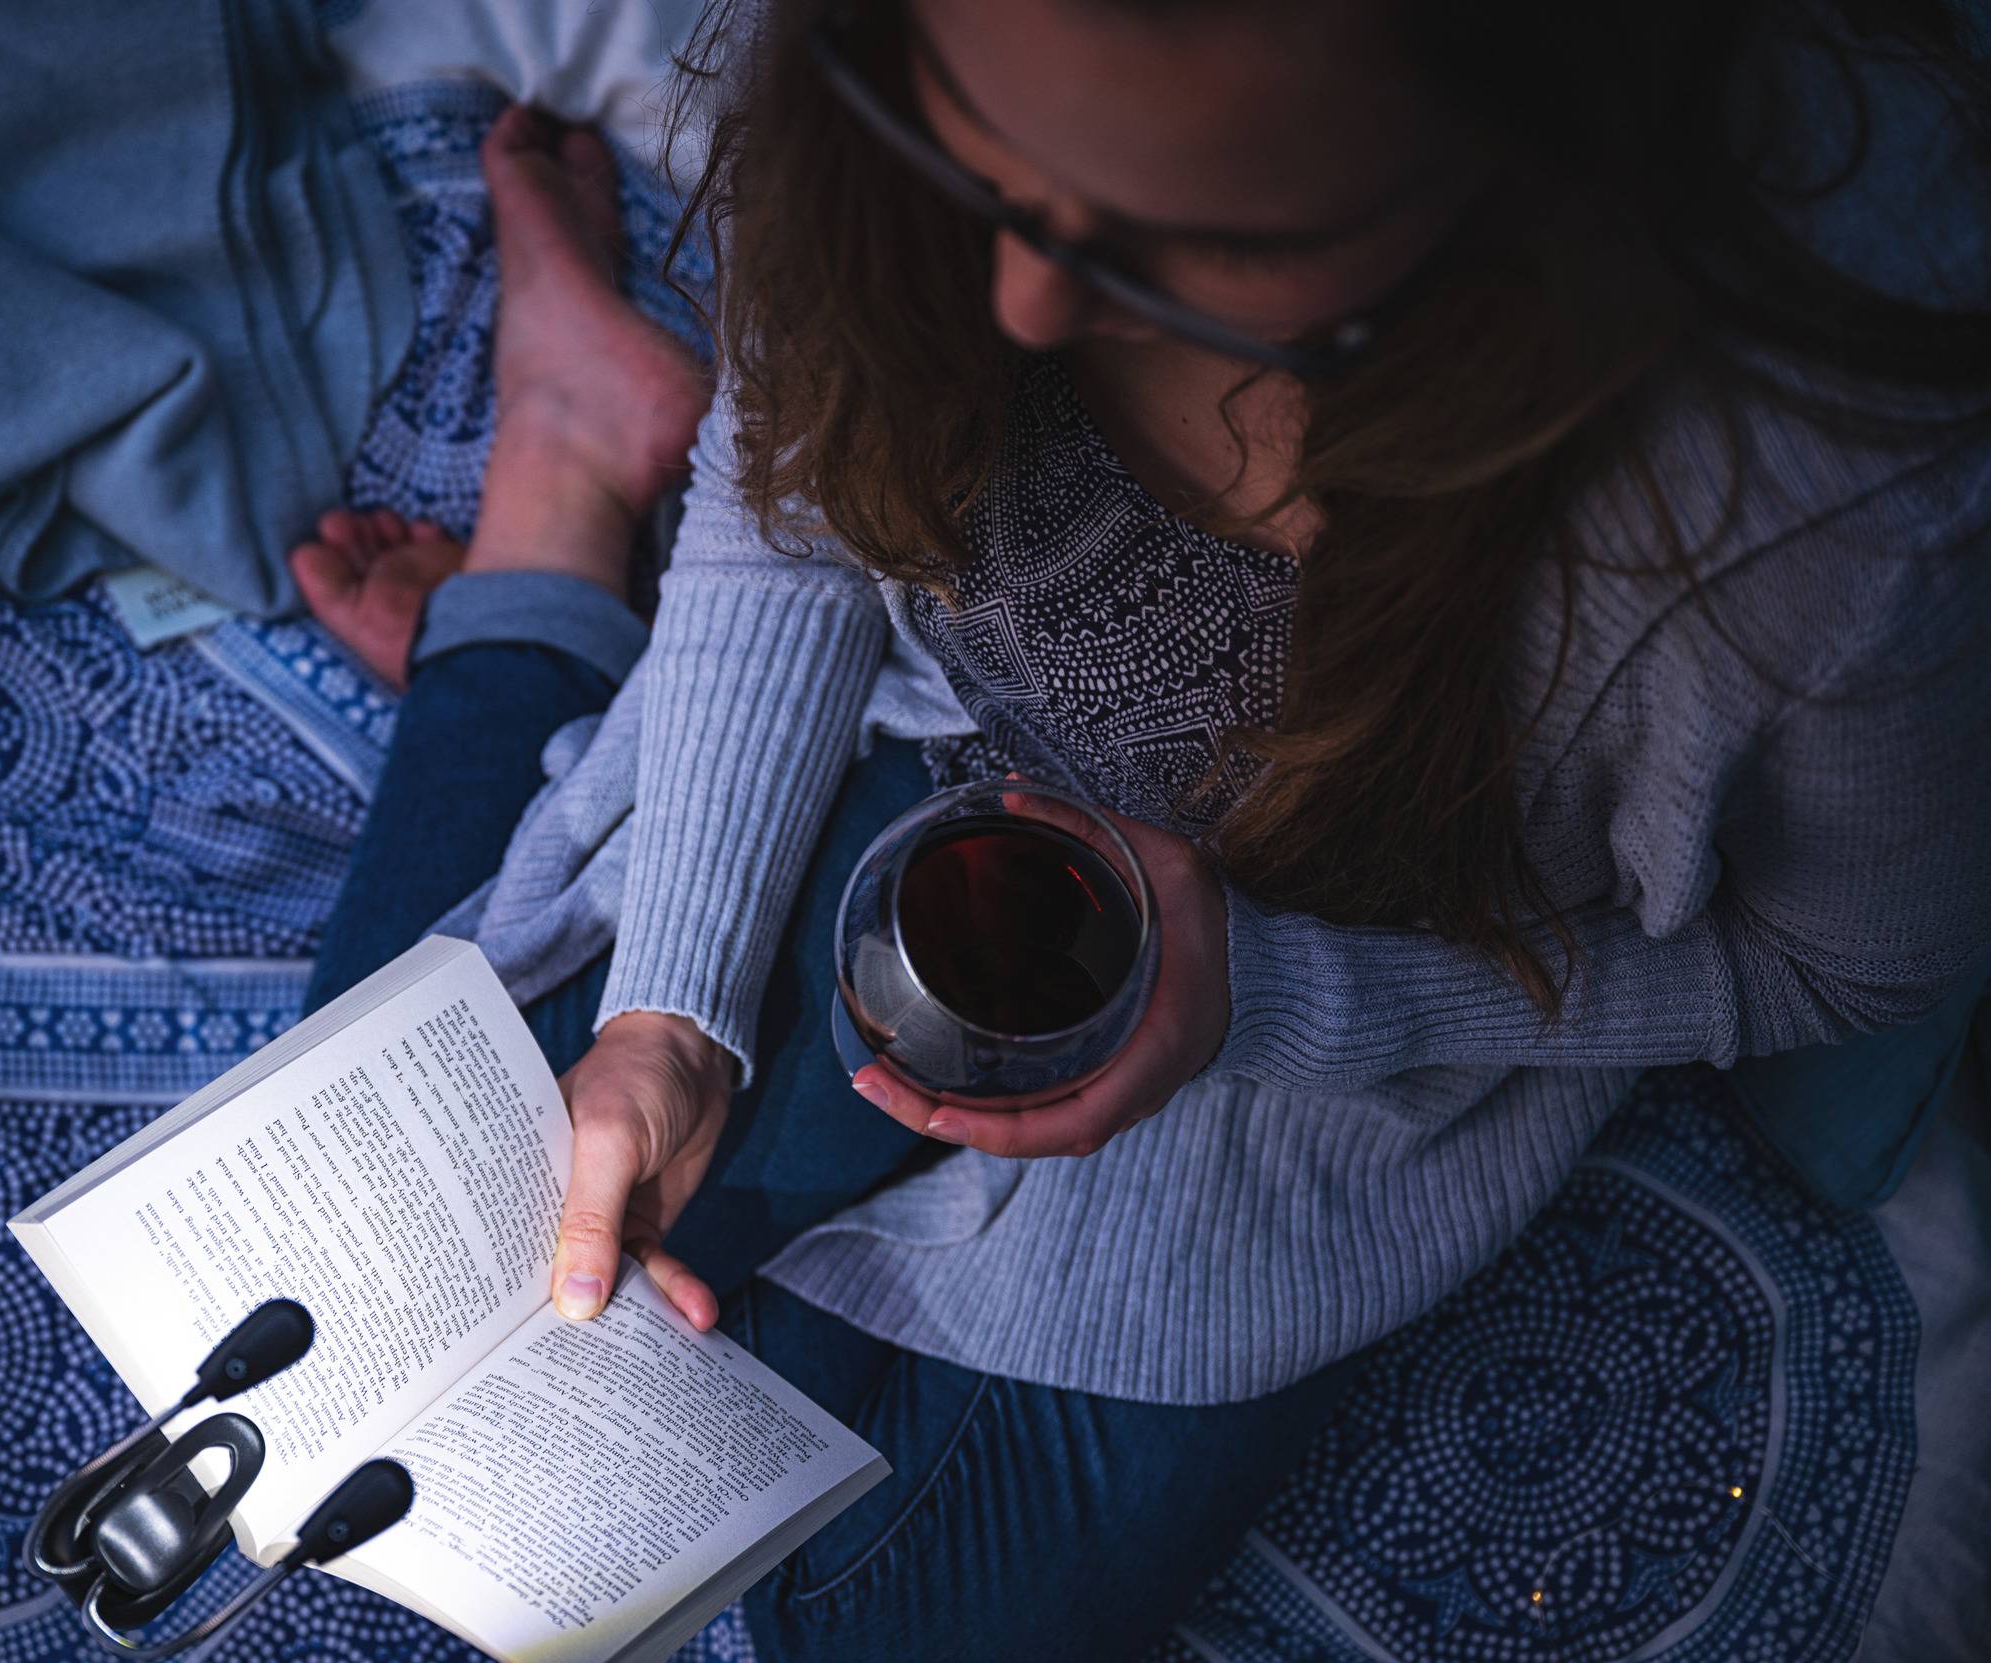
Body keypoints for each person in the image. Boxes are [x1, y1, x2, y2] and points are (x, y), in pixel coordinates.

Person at [304, 2, 1991, 1656]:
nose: (1022, 307)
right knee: (348, 1278)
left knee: (879, 1615)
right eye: (983, 170)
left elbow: (1834, 963)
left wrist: (1266, 992)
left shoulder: (1824, 519)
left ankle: (552, 550)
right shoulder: (865, 60)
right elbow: (804, 465)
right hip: (898, 744)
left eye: (1192, 250)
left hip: (1321, 1032)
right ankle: (571, 466)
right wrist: (670, 1005)